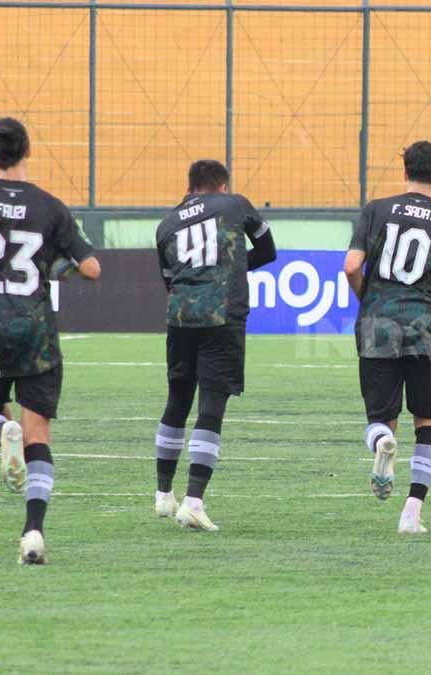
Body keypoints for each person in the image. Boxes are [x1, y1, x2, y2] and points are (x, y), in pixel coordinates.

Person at [0, 117, 102, 564]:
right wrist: (52, 268)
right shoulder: (50, 207)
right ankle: (33, 533)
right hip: (35, 328)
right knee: (38, 435)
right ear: (28, 151)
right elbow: (90, 268)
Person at [344, 140, 431, 534]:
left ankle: (383, 440)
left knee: (379, 416)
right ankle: (411, 513)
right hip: (429, 330)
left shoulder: (376, 210)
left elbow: (352, 266)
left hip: (377, 326)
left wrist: (369, 300)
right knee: (429, 420)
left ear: (404, 172)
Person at [152, 160, 276, 532]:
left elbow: (170, 280)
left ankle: (163, 494)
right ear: (222, 185)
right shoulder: (235, 205)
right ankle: (193, 501)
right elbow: (268, 250)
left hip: (181, 317)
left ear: (190, 187)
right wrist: (232, 267)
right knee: (211, 405)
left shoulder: (166, 224)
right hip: (223, 316)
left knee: (177, 399)